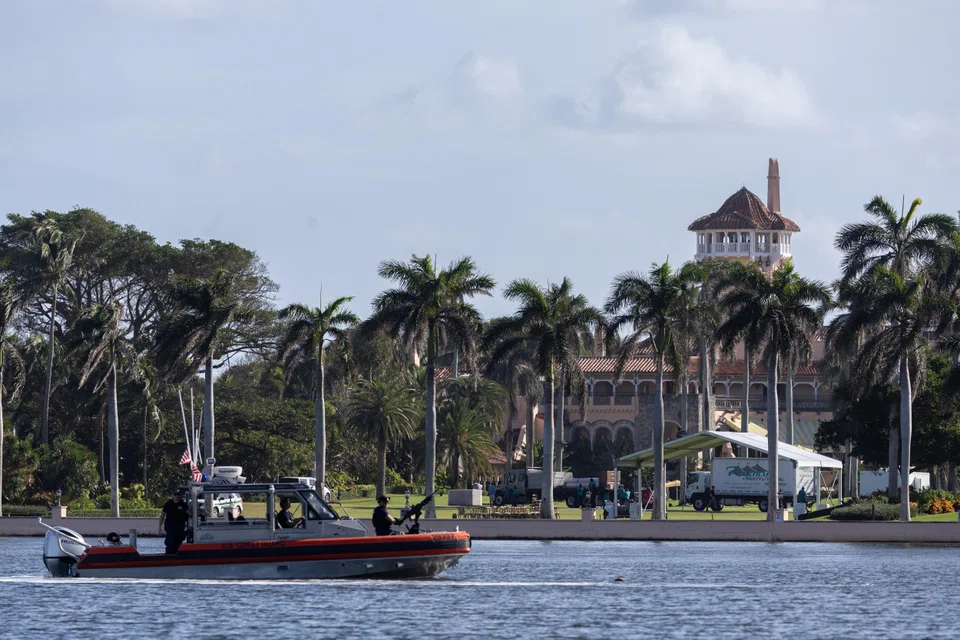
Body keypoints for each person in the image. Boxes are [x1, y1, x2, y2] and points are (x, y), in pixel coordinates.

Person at [159, 489, 190, 554]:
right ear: (172, 496)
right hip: (170, 527)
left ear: (180, 496)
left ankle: (177, 556)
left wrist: (190, 512)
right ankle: (168, 556)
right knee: (170, 542)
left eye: (178, 495)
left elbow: (189, 514)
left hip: (180, 528)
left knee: (178, 543)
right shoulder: (168, 504)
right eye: (175, 495)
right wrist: (159, 527)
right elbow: (162, 516)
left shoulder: (183, 504)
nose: (176, 496)